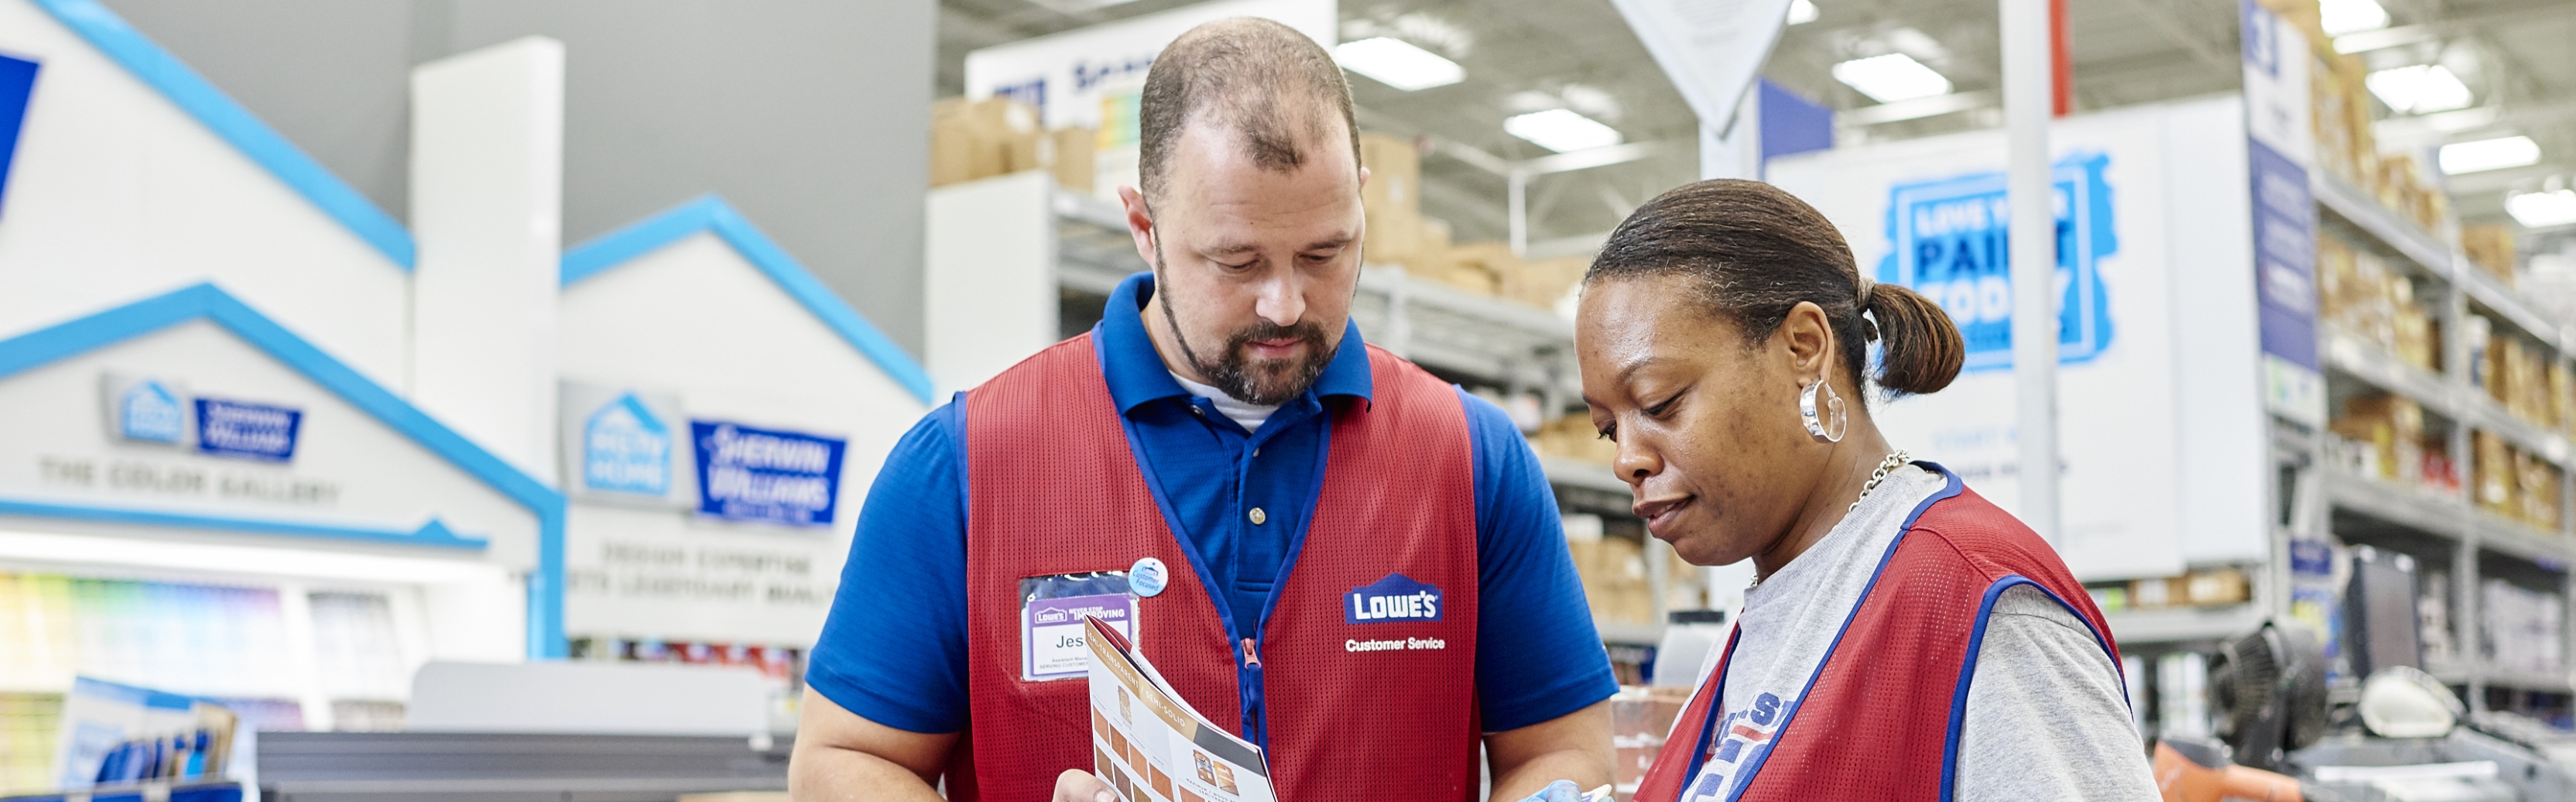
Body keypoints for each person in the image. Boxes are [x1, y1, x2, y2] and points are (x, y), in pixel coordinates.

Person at [787, 18, 1616, 802]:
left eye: (1325, 252)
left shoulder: (1470, 460)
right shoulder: (968, 462)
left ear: (1361, 200)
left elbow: (1561, 749)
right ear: (1144, 225)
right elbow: (844, 757)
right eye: (1237, 260)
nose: (1286, 303)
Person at [1575, 180, 2156, 802]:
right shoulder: (1768, 614)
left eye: (1660, 403)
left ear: (1805, 347)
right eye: (1609, 430)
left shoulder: (1974, 599)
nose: (1628, 459)